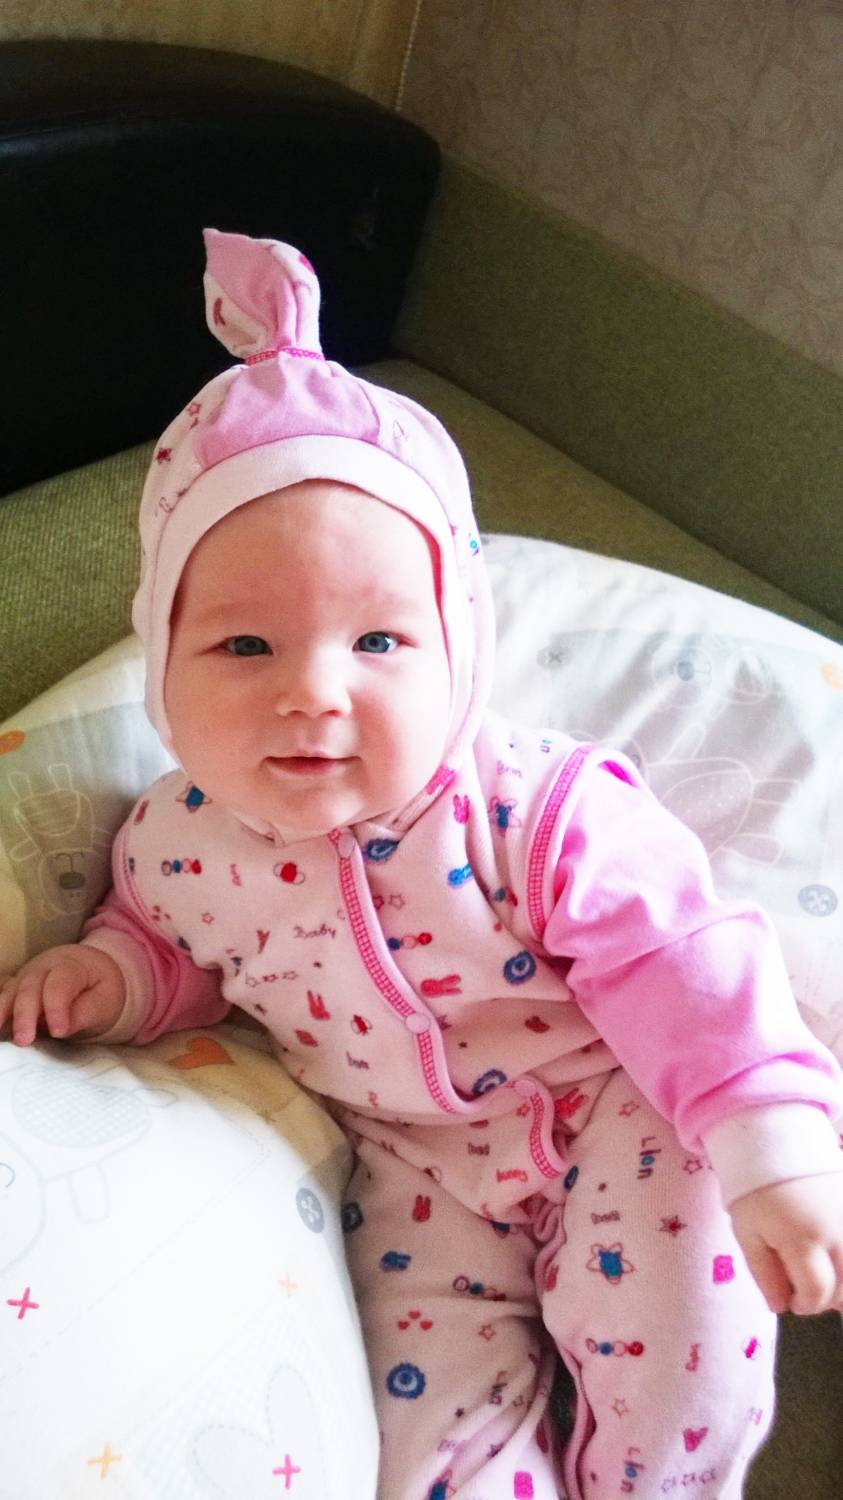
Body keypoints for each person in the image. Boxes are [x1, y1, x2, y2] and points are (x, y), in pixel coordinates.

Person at [2, 230, 842, 1500]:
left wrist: (766, 1145)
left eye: (380, 642)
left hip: (617, 1108)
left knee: (688, 1363)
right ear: (163, 670)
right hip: (411, 1167)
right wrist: (110, 980)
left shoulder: (536, 807)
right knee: (428, 1435)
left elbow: (686, 958)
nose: (312, 694)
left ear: (461, 653)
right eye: (243, 648)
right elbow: (165, 941)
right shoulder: (172, 840)